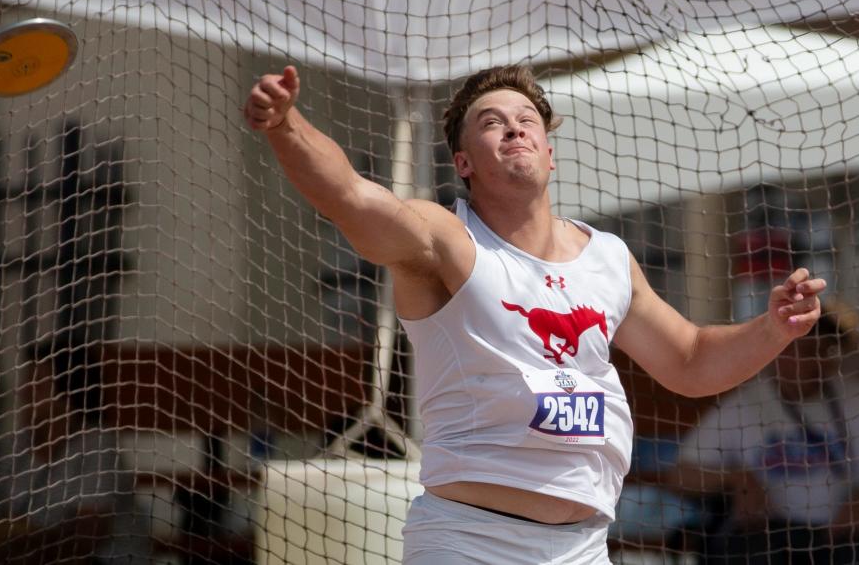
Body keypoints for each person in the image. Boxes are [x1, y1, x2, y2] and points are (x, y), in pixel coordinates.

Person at [243, 64, 826, 564]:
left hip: (583, 545)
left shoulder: (609, 258)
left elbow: (693, 361)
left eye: (527, 119)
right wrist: (286, 124)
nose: (514, 127)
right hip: (471, 540)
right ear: (465, 162)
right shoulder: (448, 240)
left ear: (550, 152)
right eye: (491, 121)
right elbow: (349, 195)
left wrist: (772, 327)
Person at [669, 299, 859, 564]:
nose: (803, 361)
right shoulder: (745, 403)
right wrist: (735, 479)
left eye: (814, 350)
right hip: (768, 536)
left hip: (841, 537)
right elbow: (680, 475)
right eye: (795, 350)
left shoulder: (851, 398)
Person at [0, 343, 153, 565]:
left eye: (38, 384)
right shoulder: (17, 445)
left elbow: (87, 536)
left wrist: (20, 545)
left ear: (69, 393)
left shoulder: (97, 445)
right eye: (26, 381)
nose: (23, 392)